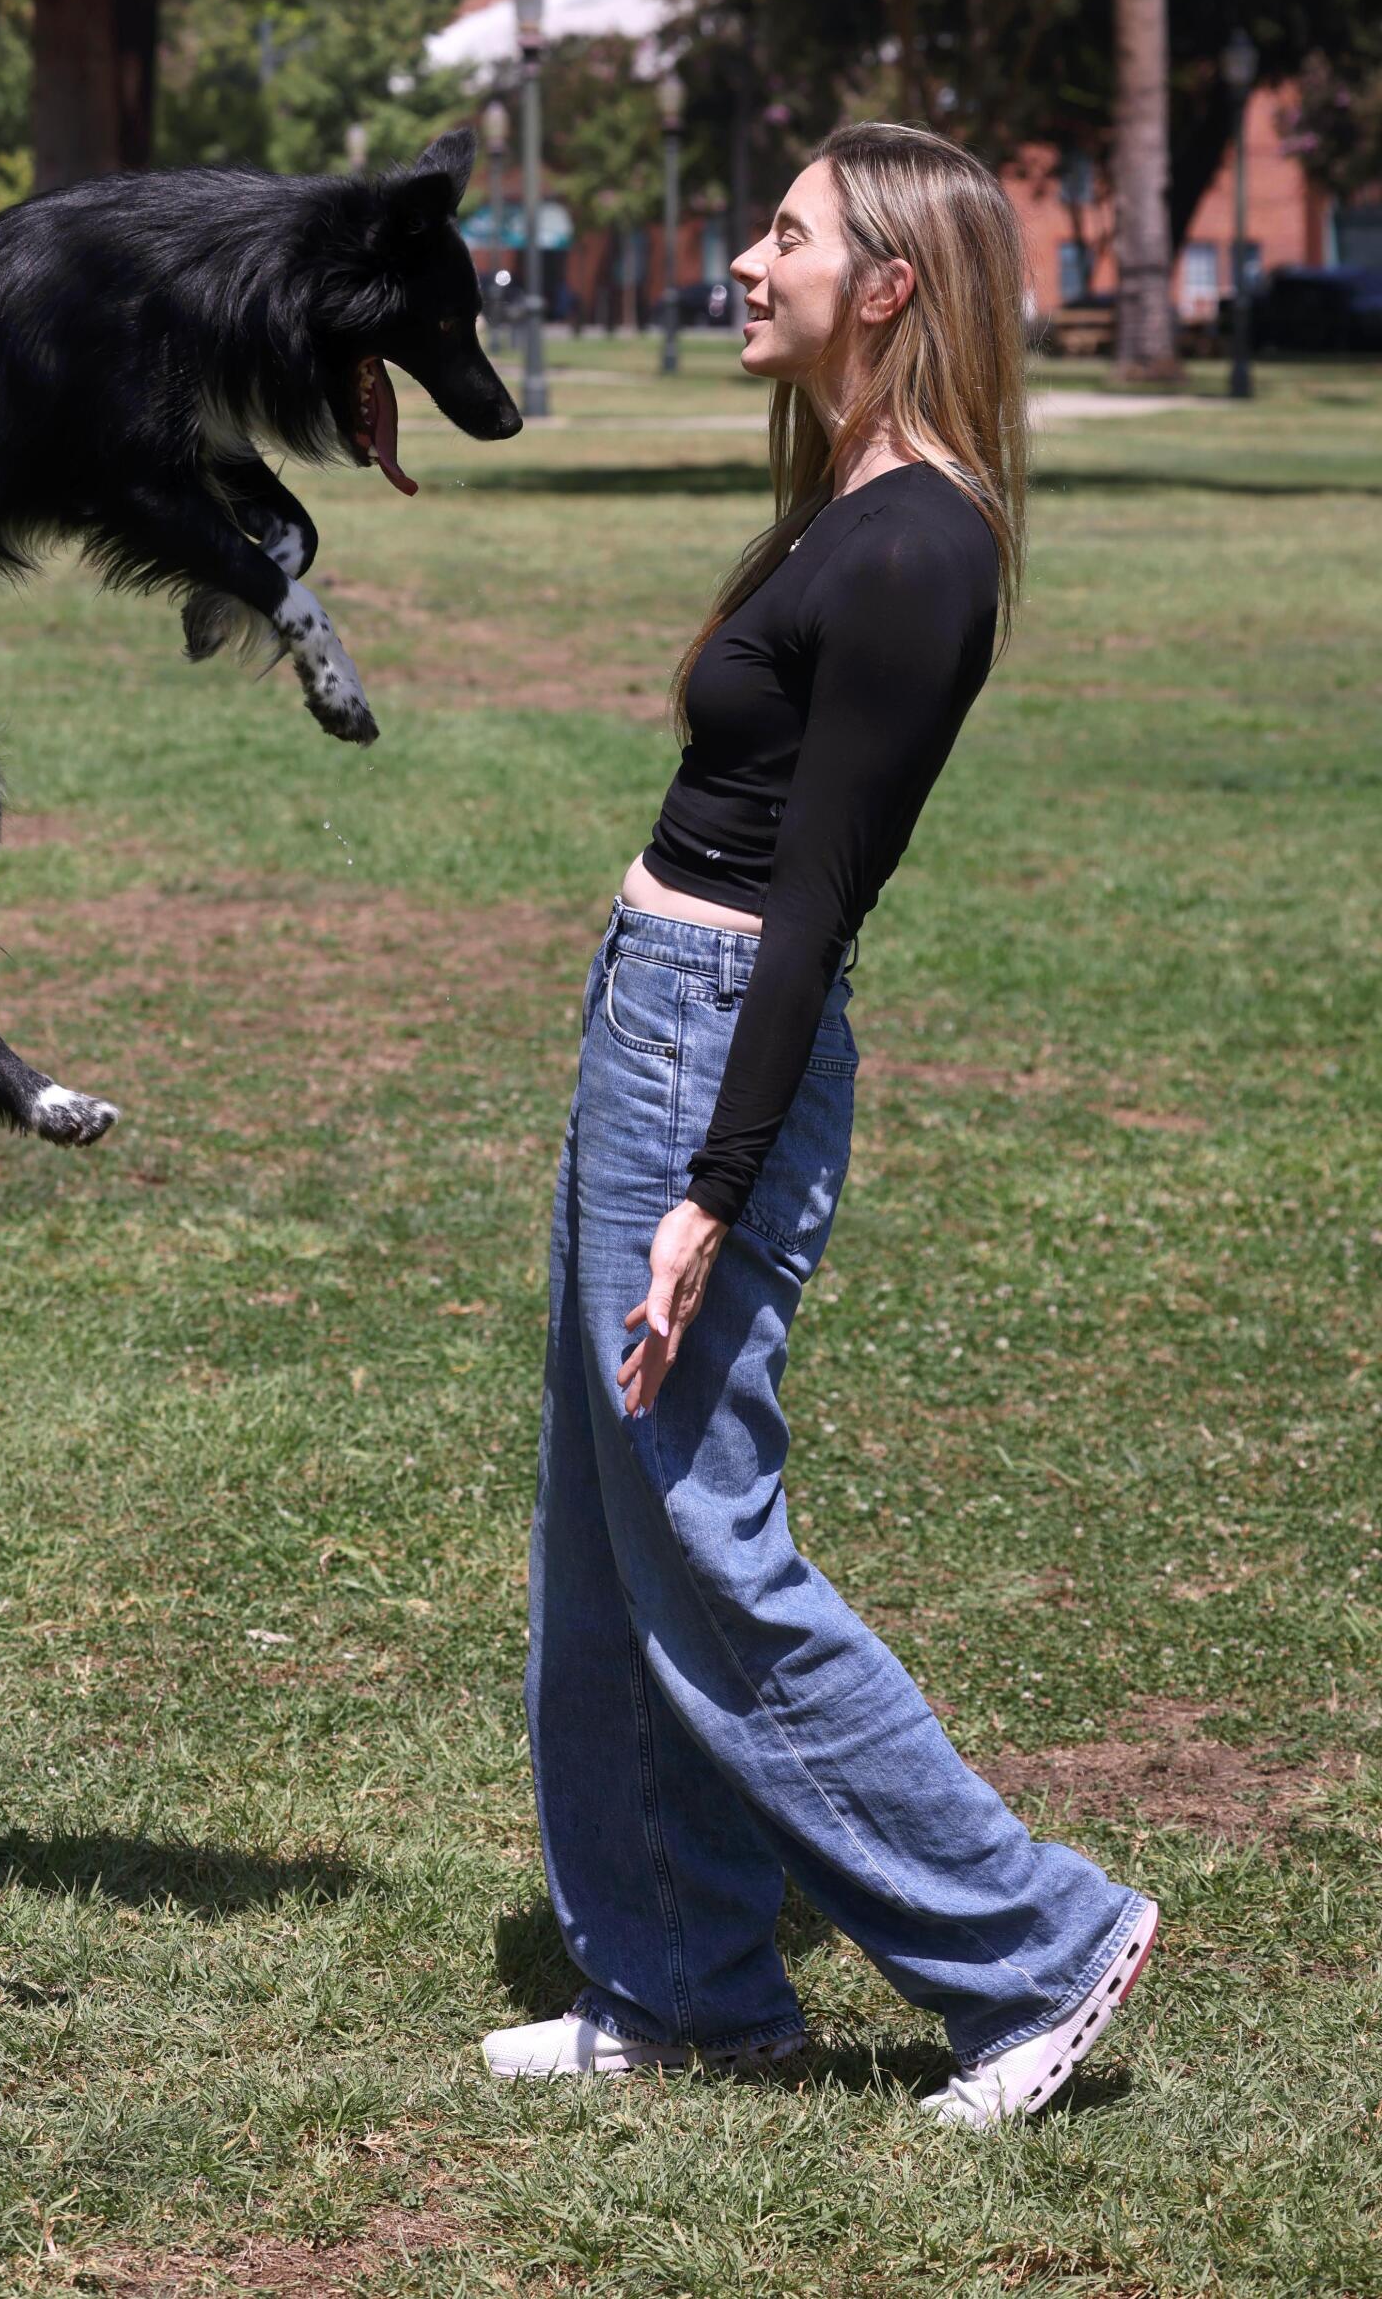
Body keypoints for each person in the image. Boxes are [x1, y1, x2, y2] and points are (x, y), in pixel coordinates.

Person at [483, 122, 1157, 2131]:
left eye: (783, 233)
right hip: (657, 1022)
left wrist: (710, 1187)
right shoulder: (840, 505)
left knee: (697, 1523)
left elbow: (818, 902)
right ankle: (686, 1981)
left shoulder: (920, 546)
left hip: (712, 1050)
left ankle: (1031, 1941)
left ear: (888, 289)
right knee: (610, 1533)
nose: (746, 257)